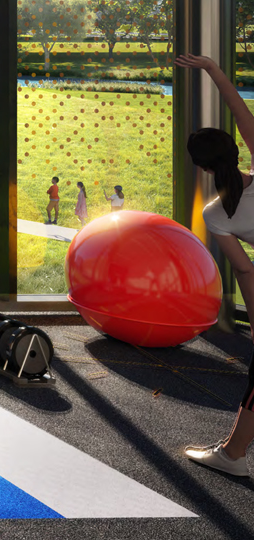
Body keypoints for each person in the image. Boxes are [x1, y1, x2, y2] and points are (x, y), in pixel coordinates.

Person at [174, 52, 254, 476]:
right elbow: (242, 114)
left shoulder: (215, 214)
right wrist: (212, 69)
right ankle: (232, 451)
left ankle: (233, 454)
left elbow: (245, 271)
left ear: (202, 169)